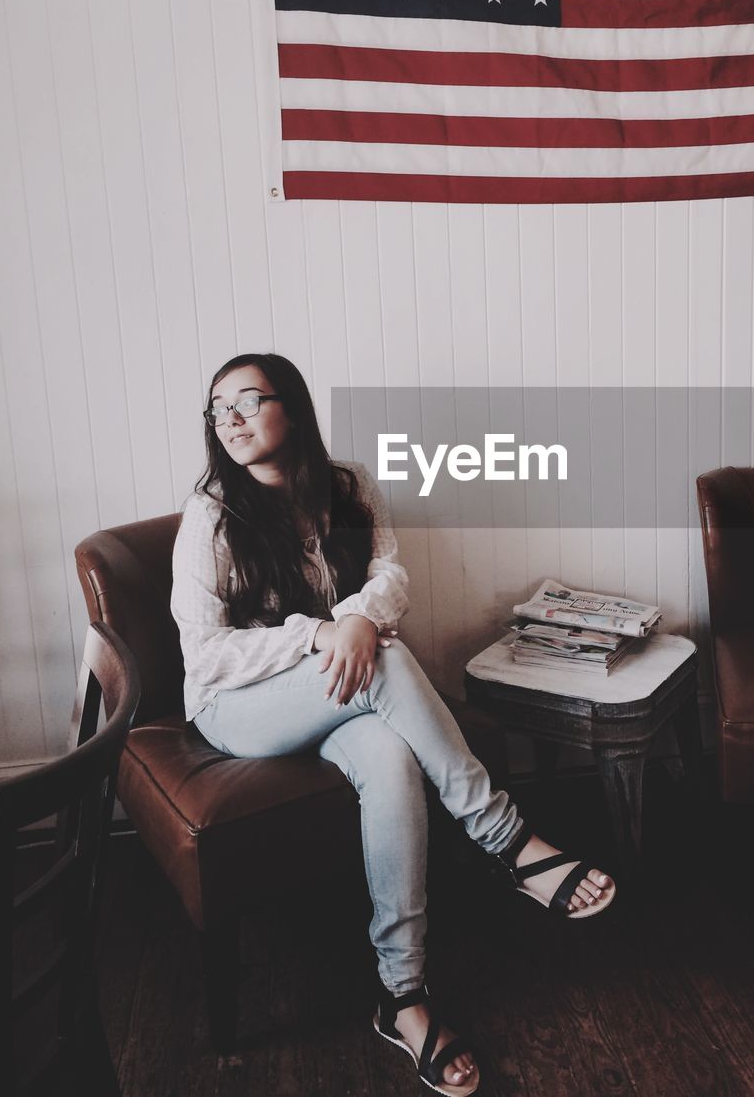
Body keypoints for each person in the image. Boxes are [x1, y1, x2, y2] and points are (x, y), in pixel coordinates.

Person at [170, 352, 616, 1096]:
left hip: (335, 690)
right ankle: (508, 840)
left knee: (389, 757)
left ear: (294, 406)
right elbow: (206, 655)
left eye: (248, 399)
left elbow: (390, 578)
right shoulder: (212, 514)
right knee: (382, 661)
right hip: (238, 705)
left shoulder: (346, 488)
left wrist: (356, 623)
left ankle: (403, 996)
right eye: (219, 409)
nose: (233, 419)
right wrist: (328, 633)